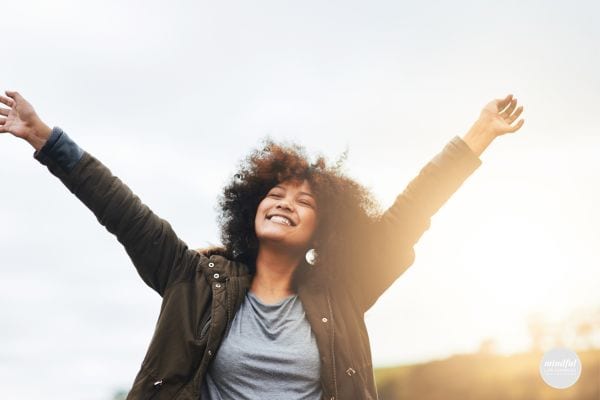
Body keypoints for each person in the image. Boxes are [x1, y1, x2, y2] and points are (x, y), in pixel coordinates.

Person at [0, 90, 524, 400]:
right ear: (251, 208)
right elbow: (121, 210)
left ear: (325, 230)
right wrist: (46, 139)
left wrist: (477, 136)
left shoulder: (344, 293)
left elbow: (410, 213)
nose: (286, 203)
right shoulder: (193, 280)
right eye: (275, 193)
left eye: (305, 202)